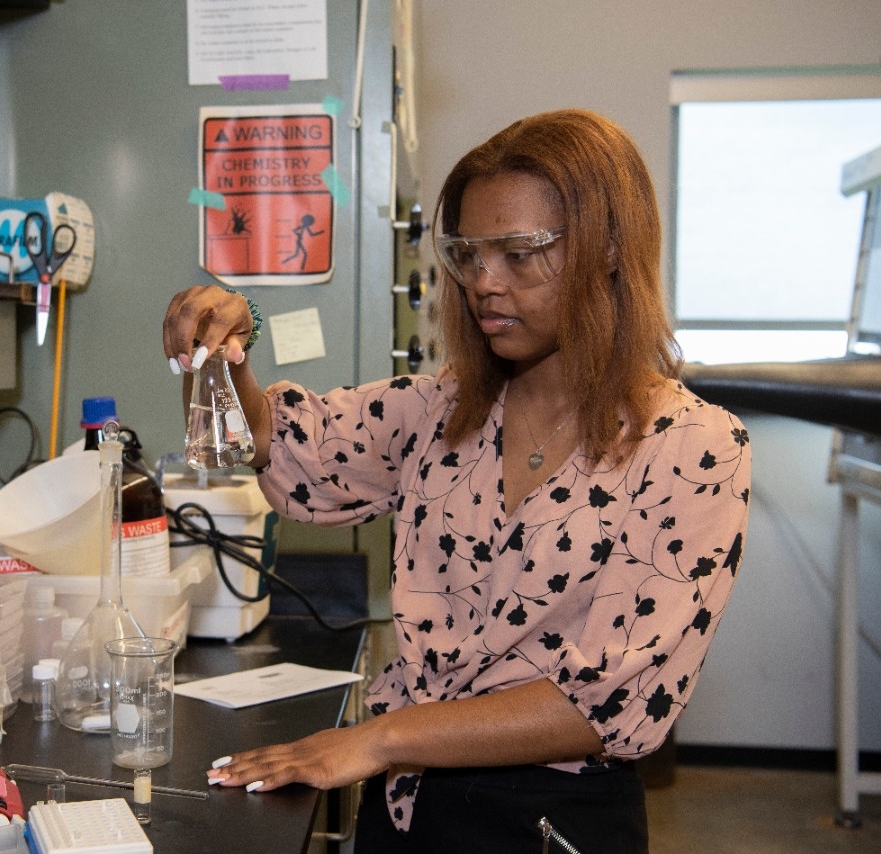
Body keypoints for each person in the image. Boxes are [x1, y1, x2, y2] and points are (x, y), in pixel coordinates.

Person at [162, 108, 751, 853]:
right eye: (468, 255)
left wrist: (377, 741)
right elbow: (277, 451)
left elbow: (608, 704)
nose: (483, 283)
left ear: (608, 246)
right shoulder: (435, 410)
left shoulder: (695, 448)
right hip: (408, 812)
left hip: (551, 820)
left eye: (518, 252)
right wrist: (218, 353)